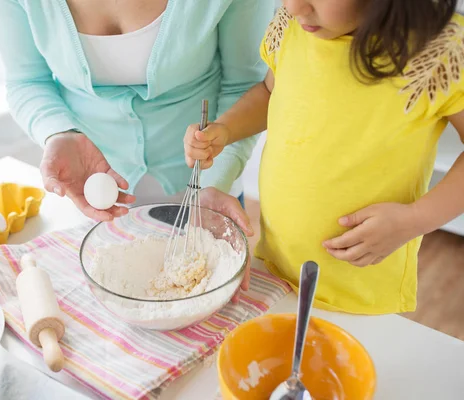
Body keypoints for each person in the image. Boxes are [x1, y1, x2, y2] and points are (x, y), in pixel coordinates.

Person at [184, 0, 464, 315]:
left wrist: (414, 220)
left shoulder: (439, 51)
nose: (294, 7)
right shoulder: (292, 26)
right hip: (277, 269)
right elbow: (269, 92)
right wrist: (225, 129)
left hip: (359, 289)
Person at [0, 0, 274, 221]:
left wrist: (212, 187)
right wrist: (59, 133)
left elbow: (247, 87)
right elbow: (27, 81)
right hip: (91, 199)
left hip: (210, 187)